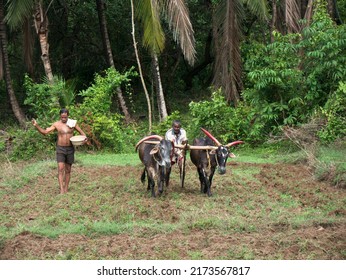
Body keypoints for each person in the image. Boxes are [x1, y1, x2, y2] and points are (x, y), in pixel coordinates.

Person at [32, 108, 87, 194]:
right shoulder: (56, 124)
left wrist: (84, 139)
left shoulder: (73, 123)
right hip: (60, 148)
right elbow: (45, 132)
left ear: (67, 116)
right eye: (62, 117)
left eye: (65, 117)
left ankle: (66, 189)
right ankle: (62, 190)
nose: (63, 119)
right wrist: (36, 126)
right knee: (61, 169)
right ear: (60, 116)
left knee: (68, 170)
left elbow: (82, 133)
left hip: (70, 148)